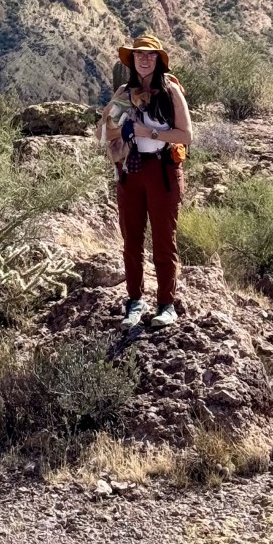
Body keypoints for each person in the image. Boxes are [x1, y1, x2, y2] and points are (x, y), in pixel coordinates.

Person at [98, 32, 192, 330]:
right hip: (131, 171)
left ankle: (166, 304)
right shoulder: (125, 93)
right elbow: (105, 129)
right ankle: (134, 302)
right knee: (131, 242)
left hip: (162, 171)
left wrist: (147, 133)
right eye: (139, 55)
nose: (145, 59)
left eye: (150, 55)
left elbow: (185, 136)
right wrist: (121, 137)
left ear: (158, 60)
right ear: (132, 60)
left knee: (164, 241)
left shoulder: (170, 91)